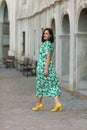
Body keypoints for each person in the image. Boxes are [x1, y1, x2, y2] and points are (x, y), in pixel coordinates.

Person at [32, 28, 62, 112]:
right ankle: (40, 104)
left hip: (44, 68)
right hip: (43, 67)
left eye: (46, 33)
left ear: (50, 35)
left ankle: (56, 103)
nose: (44, 35)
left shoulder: (47, 44)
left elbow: (48, 57)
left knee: (48, 85)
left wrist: (46, 69)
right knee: (46, 85)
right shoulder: (46, 44)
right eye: (44, 33)